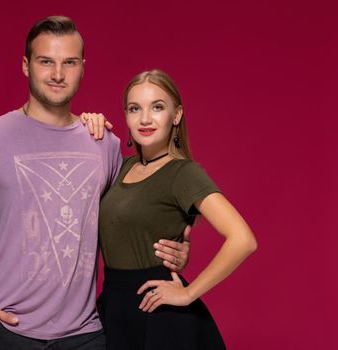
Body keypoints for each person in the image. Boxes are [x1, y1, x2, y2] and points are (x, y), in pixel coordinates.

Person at [0, 17, 190, 350]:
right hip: (6, 332)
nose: (58, 75)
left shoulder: (105, 143)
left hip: (85, 335)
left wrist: (178, 246)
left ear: (83, 68)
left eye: (69, 63)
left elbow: (130, 216)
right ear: (26, 65)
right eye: (46, 62)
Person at [97, 69, 257, 350]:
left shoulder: (182, 173)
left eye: (157, 107)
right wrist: (88, 121)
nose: (145, 119)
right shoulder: (120, 166)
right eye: (135, 109)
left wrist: (188, 294)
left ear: (177, 115)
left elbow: (243, 239)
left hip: (158, 316)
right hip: (114, 308)